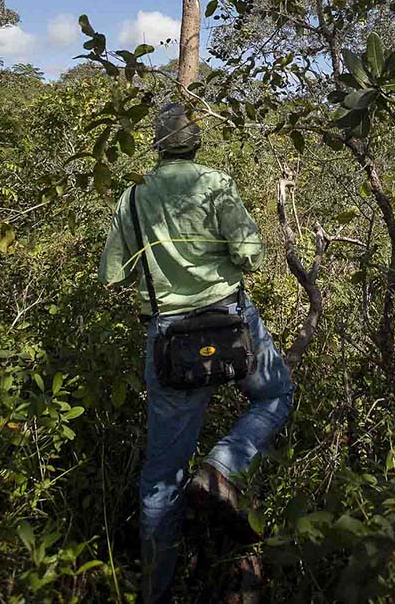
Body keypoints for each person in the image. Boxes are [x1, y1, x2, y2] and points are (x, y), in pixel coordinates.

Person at [99, 102, 294, 604]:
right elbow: (250, 253)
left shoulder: (133, 195)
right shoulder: (216, 183)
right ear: (196, 141)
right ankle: (224, 465)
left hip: (168, 335)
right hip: (228, 319)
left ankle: (157, 590)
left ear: (158, 145)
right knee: (275, 394)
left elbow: (112, 275)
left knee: (162, 473)